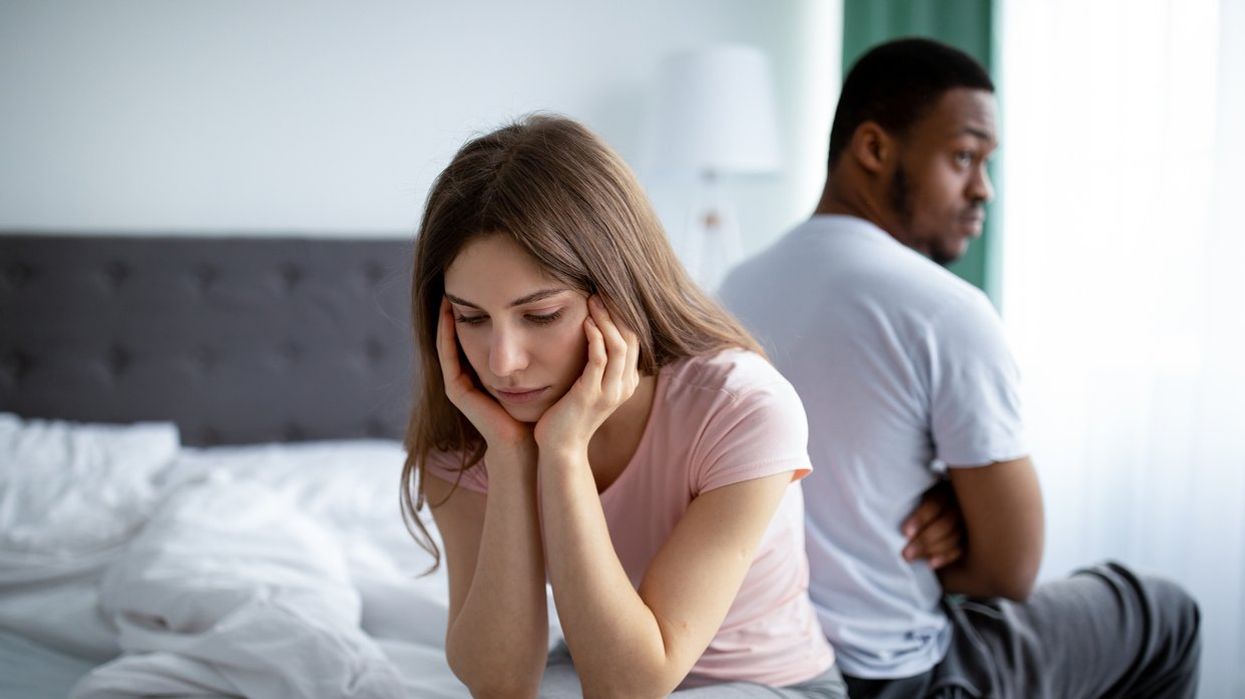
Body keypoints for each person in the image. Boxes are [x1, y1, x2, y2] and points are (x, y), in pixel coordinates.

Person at [719, 38, 1202, 699]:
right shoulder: (942, 310)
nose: (983, 188)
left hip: (768, 657)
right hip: (892, 671)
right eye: (963, 156)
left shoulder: (727, 290)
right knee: (1164, 612)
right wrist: (959, 514)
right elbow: (1009, 569)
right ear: (873, 149)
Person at [399, 115, 846, 698]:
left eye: (540, 316)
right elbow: (500, 684)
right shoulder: (465, 430)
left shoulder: (741, 409)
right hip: (592, 660)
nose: (502, 361)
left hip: (763, 684)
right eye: (472, 318)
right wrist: (509, 457)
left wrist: (562, 454)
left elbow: (631, 687)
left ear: (619, 294)